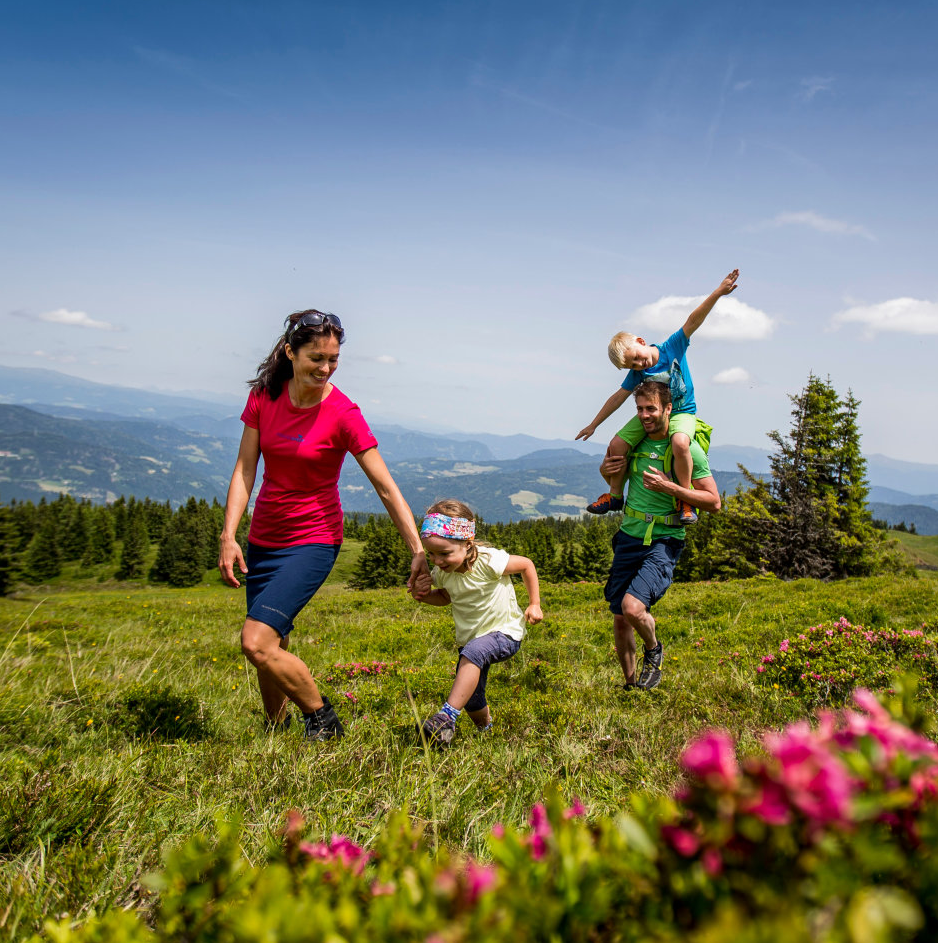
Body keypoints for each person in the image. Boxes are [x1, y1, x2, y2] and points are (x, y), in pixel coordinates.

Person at [219, 310, 427, 741]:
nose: (326, 368)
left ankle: (323, 720)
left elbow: (386, 488)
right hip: (264, 539)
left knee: (256, 642)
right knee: (272, 641)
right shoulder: (264, 397)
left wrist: (418, 551)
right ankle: (275, 727)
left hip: (313, 539)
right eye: (317, 357)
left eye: (333, 359)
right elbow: (244, 470)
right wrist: (229, 535)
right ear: (290, 352)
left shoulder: (344, 413)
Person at [576, 269, 739, 525]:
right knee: (617, 444)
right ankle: (615, 496)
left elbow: (693, 321)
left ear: (641, 341)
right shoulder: (638, 374)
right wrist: (594, 424)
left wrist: (718, 292)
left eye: (637, 358)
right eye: (634, 366)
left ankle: (684, 500)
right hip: (654, 412)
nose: (640, 365)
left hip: (683, 410)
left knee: (681, 443)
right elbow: (618, 397)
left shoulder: (670, 347)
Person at [602, 379, 721, 690]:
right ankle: (631, 687)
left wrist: (672, 487)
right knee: (619, 616)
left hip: (664, 539)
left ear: (668, 408)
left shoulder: (686, 447)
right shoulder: (634, 443)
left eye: (651, 408)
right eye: (640, 409)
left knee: (633, 608)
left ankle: (653, 649)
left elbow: (714, 502)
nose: (644, 415)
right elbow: (613, 475)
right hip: (629, 535)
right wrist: (607, 471)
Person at [407, 499, 543, 744]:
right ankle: (485, 731)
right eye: (432, 554)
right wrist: (425, 596)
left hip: (505, 633)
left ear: (467, 545)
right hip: (470, 641)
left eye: (445, 553)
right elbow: (447, 597)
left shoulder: (489, 561)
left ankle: (446, 717)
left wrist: (534, 604)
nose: (437, 561)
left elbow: (526, 565)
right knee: (471, 697)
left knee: (474, 653)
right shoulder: (443, 574)